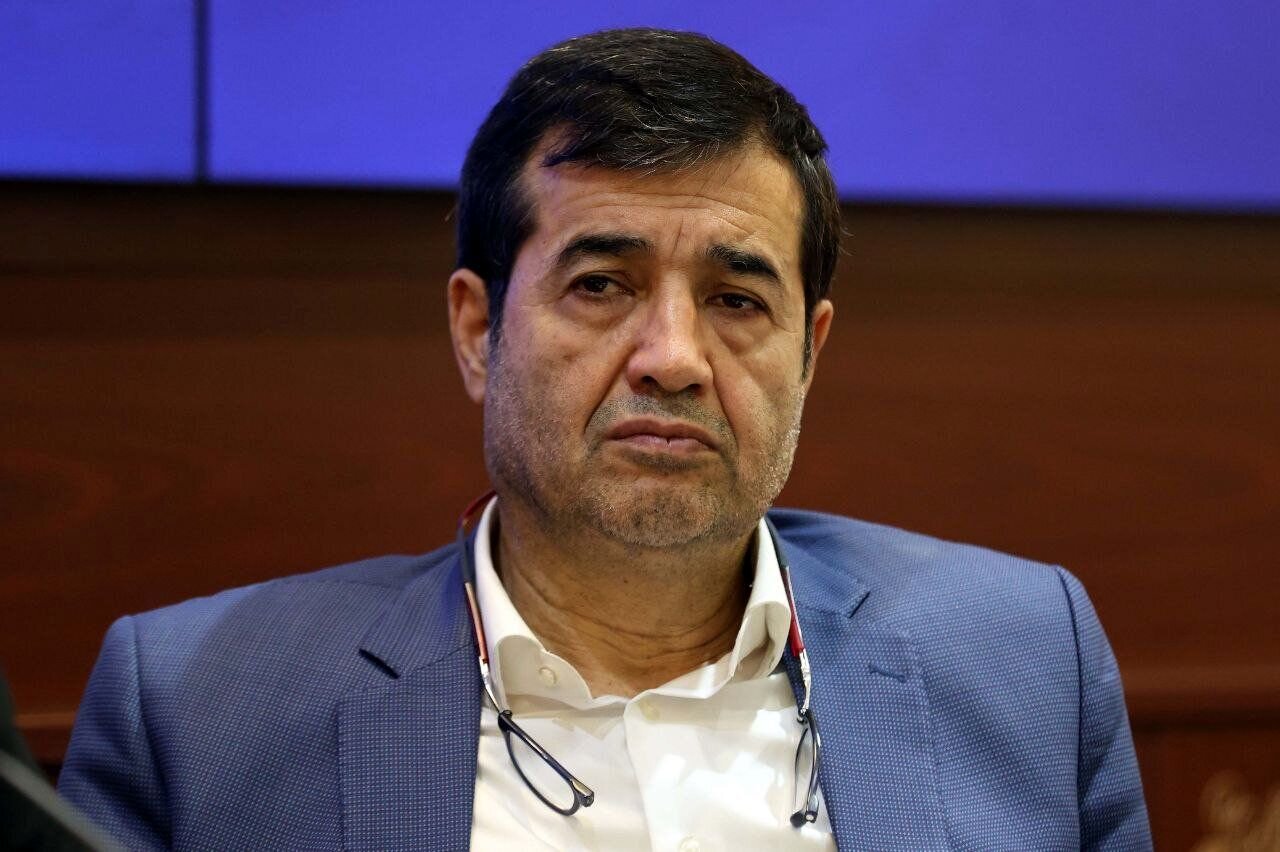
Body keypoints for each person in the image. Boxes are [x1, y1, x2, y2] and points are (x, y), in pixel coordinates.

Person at [58, 27, 1151, 850]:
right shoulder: (199, 711)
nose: (672, 357)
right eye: (600, 284)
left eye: (735, 300)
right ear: (477, 330)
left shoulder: (1022, 658)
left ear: (809, 352)